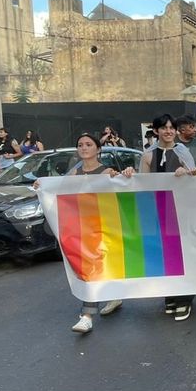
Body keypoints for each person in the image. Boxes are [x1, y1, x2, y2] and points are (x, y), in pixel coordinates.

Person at [61, 133, 122, 333]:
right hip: (82, 229)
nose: (84, 148)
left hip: (103, 228)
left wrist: (123, 176)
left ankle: (87, 316)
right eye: (80, 145)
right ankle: (110, 299)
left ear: (98, 149)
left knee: (94, 267)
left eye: (88, 144)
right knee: (92, 268)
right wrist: (41, 186)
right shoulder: (73, 174)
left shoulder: (107, 172)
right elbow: (59, 193)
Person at [140, 114, 196, 320]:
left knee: (182, 254)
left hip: (181, 210)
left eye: (172, 127)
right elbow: (142, 185)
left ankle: (184, 298)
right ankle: (170, 293)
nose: (168, 131)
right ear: (156, 131)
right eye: (164, 128)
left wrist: (187, 172)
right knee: (164, 255)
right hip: (159, 210)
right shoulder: (147, 156)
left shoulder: (183, 152)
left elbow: (195, 178)